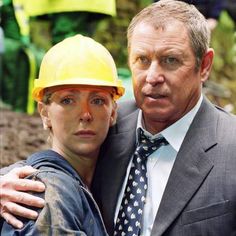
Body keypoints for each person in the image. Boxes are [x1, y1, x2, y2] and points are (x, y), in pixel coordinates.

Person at [1, 0, 236, 235]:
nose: (153, 76)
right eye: (143, 60)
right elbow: (57, 161)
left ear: (204, 65)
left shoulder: (229, 147)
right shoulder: (107, 123)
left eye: (170, 60)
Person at [0, 34, 124, 235]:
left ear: (113, 112)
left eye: (98, 100)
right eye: (68, 100)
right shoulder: (50, 194)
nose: (85, 114)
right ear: (44, 113)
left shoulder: (95, 182)